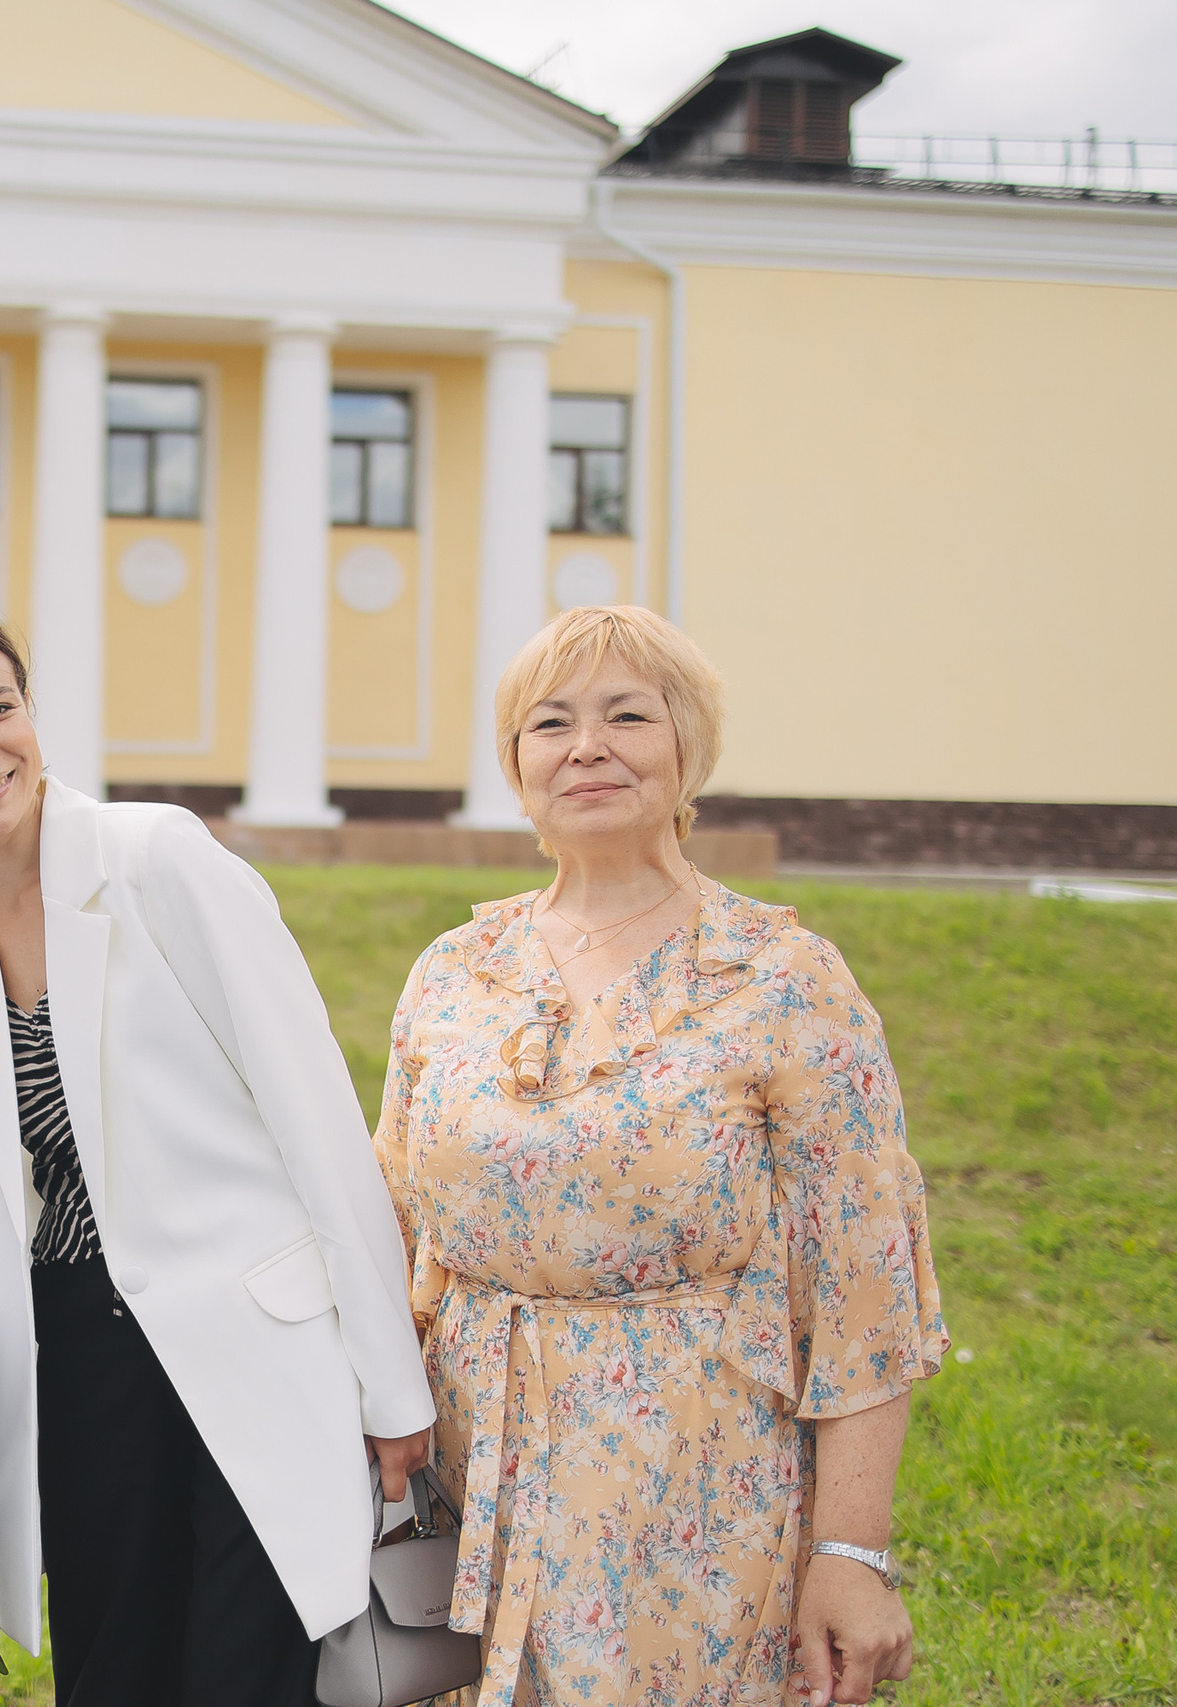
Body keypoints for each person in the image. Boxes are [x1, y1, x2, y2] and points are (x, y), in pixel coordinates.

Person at [0, 602, 435, 1707]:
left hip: (251, 1341)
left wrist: (390, 1383)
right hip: (72, 1350)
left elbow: (315, 1120)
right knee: (113, 1665)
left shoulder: (155, 857)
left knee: (248, 1670)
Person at [375, 604, 948, 1707]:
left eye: (625, 715)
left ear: (686, 748)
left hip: (694, 1503)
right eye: (549, 724)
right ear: (517, 768)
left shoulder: (782, 978)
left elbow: (864, 1291)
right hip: (466, 1488)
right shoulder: (453, 969)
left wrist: (851, 1554)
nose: (585, 746)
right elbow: (385, 1221)